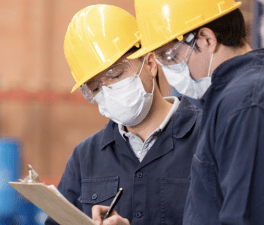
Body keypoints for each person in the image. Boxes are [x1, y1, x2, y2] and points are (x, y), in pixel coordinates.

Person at [44, 5, 201, 225]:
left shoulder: (207, 137)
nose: (107, 90)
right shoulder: (85, 158)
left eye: (115, 75)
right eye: (96, 88)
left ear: (150, 63)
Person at [128, 0, 264, 224]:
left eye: (169, 56)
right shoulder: (228, 97)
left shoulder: (245, 103)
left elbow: (244, 216)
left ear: (208, 39)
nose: (169, 69)